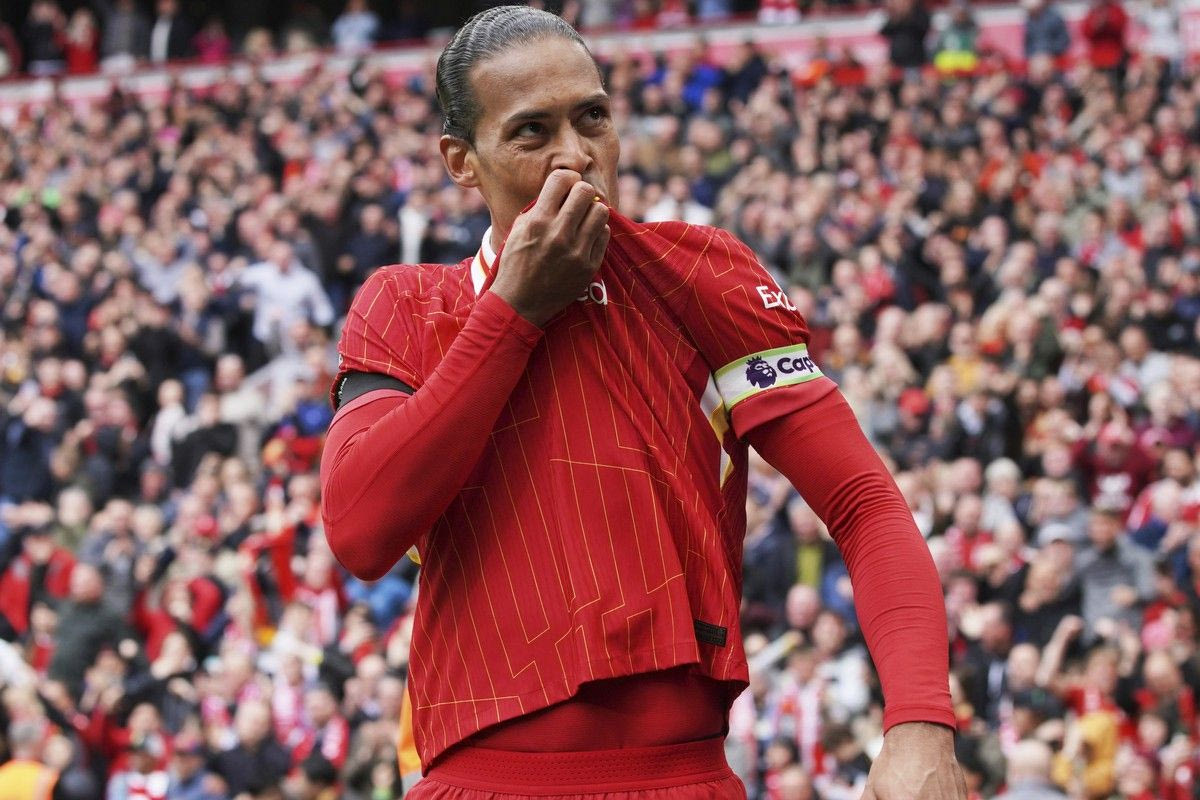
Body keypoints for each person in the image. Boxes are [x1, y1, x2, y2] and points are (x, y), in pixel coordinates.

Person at [320, 6, 964, 798]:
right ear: (462, 162)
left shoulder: (703, 276)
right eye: (532, 132)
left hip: (685, 777)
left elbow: (865, 504)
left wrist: (920, 723)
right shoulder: (404, 305)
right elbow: (359, 532)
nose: (576, 154)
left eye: (592, 117)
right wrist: (514, 312)